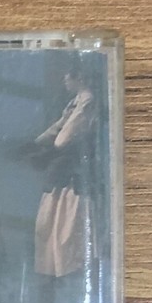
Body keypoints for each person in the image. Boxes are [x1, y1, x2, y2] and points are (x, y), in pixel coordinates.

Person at [33, 65, 96, 280]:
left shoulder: (87, 101)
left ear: (79, 78)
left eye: (68, 78)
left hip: (72, 170)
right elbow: (58, 126)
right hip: (60, 172)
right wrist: (36, 144)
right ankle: (54, 269)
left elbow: (64, 137)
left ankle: (65, 270)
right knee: (49, 225)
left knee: (66, 227)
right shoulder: (74, 102)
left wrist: (51, 145)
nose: (65, 82)